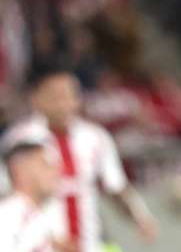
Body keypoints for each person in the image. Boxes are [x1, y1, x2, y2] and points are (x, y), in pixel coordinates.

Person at [1, 67, 156, 252]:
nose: (64, 104)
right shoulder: (20, 139)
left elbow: (116, 186)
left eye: (70, 95)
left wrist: (140, 217)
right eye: (55, 96)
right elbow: (8, 192)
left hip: (88, 243)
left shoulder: (96, 137)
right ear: (36, 99)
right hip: (39, 243)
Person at [0, 141, 70, 252]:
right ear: (20, 170)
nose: (56, 171)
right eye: (46, 164)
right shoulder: (7, 218)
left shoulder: (45, 213)